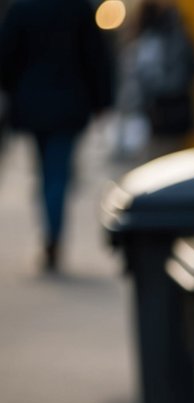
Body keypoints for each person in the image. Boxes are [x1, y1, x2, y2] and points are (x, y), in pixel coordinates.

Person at [0, 0, 115, 272]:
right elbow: (95, 56)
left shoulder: (22, 8)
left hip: (32, 104)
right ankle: (54, 234)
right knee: (57, 172)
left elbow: (5, 57)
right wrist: (102, 101)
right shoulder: (77, 8)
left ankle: (50, 232)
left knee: (47, 171)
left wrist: (14, 90)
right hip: (69, 104)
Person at [130, 0, 194, 160]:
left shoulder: (146, 40)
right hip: (178, 111)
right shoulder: (183, 35)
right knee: (177, 160)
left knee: (158, 163)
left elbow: (139, 80)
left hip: (158, 112)